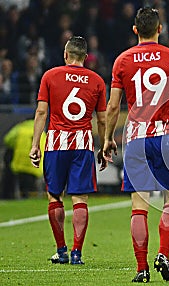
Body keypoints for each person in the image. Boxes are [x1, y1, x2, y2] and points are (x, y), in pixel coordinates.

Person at [102, 7, 169, 283]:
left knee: (139, 205)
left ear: (135, 30)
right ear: (160, 29)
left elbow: (113, 106)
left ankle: (141, 268)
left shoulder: (122, 61)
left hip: (135, 138)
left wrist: (108, 138)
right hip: (166, 136)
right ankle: (164, 254)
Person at [29, 36, 107, 265]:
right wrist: (104, 144)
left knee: (54, 195)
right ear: (85, 57)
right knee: (79, 198)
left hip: (55, 144)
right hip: (82, 144)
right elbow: (102, 119)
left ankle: (61, 249)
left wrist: (35, 144)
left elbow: (41, 112)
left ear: (66, 55)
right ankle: (76, 253)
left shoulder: (50, 76)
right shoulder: (96, 81)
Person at [4, 117, 46, 199]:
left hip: (19, 166)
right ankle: (34, 194)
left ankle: (11, 195)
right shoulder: (43, 133)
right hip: (35, 169)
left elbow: (7, 140)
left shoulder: (20, 129)